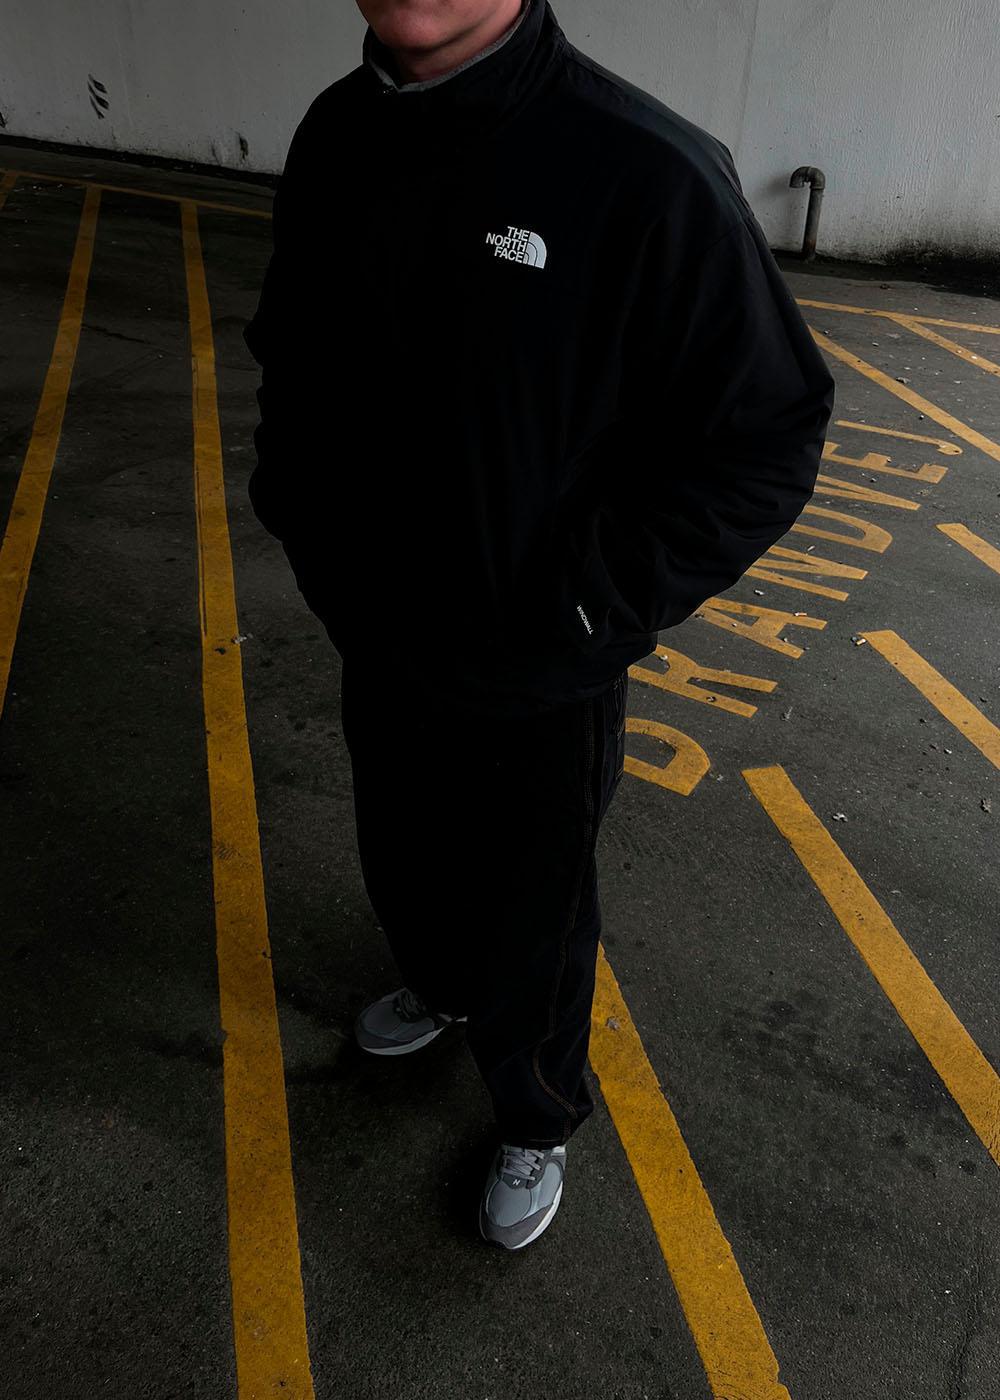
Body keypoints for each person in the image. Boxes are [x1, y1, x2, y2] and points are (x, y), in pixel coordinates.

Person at [243, 0, 835, 1251]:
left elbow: (768, 433)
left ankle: (533, 1108)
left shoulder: (643, 170)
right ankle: (442, 984)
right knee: (404, 852)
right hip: (378, 627)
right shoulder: (339, 133)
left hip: (541, 667)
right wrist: (298, 509)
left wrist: (584, 602)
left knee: (537, 910)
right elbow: (291, 347)